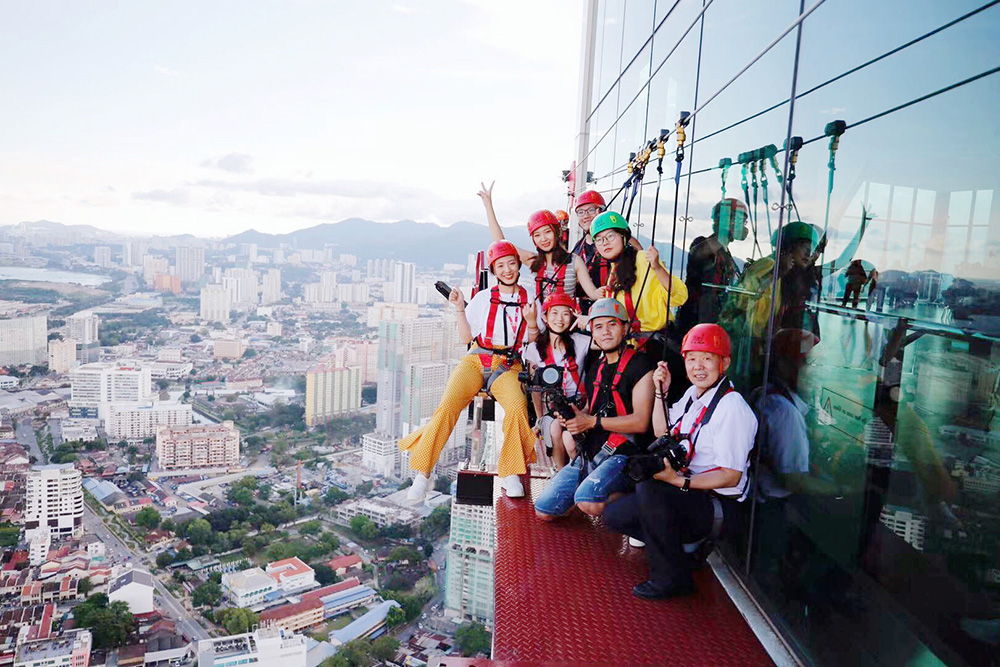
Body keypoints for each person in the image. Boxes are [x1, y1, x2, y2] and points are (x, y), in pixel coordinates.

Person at [603, 323, 758, 599]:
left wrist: (679, 481)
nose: (698, 366)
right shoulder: (693, 395)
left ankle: (672, 578)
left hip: (718, 504)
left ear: (724, 363)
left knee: (650, 488)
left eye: (707, 359)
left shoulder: (732, 408)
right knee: (615, 515)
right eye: (691, 359)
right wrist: (660, 391)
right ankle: (681, 547)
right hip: (690, 492)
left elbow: (730, 476)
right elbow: (663, 434)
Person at [399, 240, 541, 501]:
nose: (507, 269)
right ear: (494, 270)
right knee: (448, 405)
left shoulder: (530, 298)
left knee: (518, 408)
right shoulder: (484, 298)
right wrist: (460, 309)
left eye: (511, 263)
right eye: (501, 265)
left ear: (518, 265)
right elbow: (467, 336)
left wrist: (532, 322)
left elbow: (534, 343)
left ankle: (510, 473)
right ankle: (422, 473)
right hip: (476, 358)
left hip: (508, 364)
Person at [533, 298, 655, 520]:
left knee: (587, 501)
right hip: (592, 451)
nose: (605, 332)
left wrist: (591, 422)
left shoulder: (641, 365)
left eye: (612, 324)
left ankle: (641, 499)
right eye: (598, 326)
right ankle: (588, 493)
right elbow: (592, 408)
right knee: (545, 510)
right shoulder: (596, 367)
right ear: (592, 332)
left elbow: (641, 421)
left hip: (625, 454)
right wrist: (575, 417)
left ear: (625, 328)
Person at [478, 182, 600, 307]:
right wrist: (488, 206)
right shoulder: (534, 261)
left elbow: (593, 293)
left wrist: (609, 291)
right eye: (537, 235)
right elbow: (501, 243)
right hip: (539, 322)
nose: (543, 239)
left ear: (557, 232)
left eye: (547, 232)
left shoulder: (575, 261)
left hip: (566, 322)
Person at [589, 210, 688, 358]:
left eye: (610, 236)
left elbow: (678, 297)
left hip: (655, 346)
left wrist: (657, 268)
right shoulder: (613, 272)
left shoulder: (642, 259)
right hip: (631, 347)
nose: (605, 243)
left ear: (624, 237)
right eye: (599, 239)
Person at [522, 291, 592, 470]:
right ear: (545, 317)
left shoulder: (581, 342)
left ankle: (577, 472)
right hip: (551, 408)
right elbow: (535, 387)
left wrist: (590, 324)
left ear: (572, 317)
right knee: (553, 428)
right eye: (554, 313)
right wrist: (539, 418)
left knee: (570, 441)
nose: (559, 319)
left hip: (578, 406)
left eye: (566, 313)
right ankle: (560, 471)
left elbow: (607, 342)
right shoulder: (535, 349)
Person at [676, 198, 749, 335]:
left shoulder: (726, 254)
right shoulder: (703, 244)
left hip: (712, 320)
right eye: (739, 221)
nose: (742, 226)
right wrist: (726, 233)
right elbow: (697, 253)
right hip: (695, 320)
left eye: (742, 222)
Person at [570, 190, 642, 313]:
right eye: (581, 212)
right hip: (586, 310)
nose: (586, 216)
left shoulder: (623, 240)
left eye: (591, 210)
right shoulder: (578, 247)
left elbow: (641, 264)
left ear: (602, 211)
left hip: (615, 310)